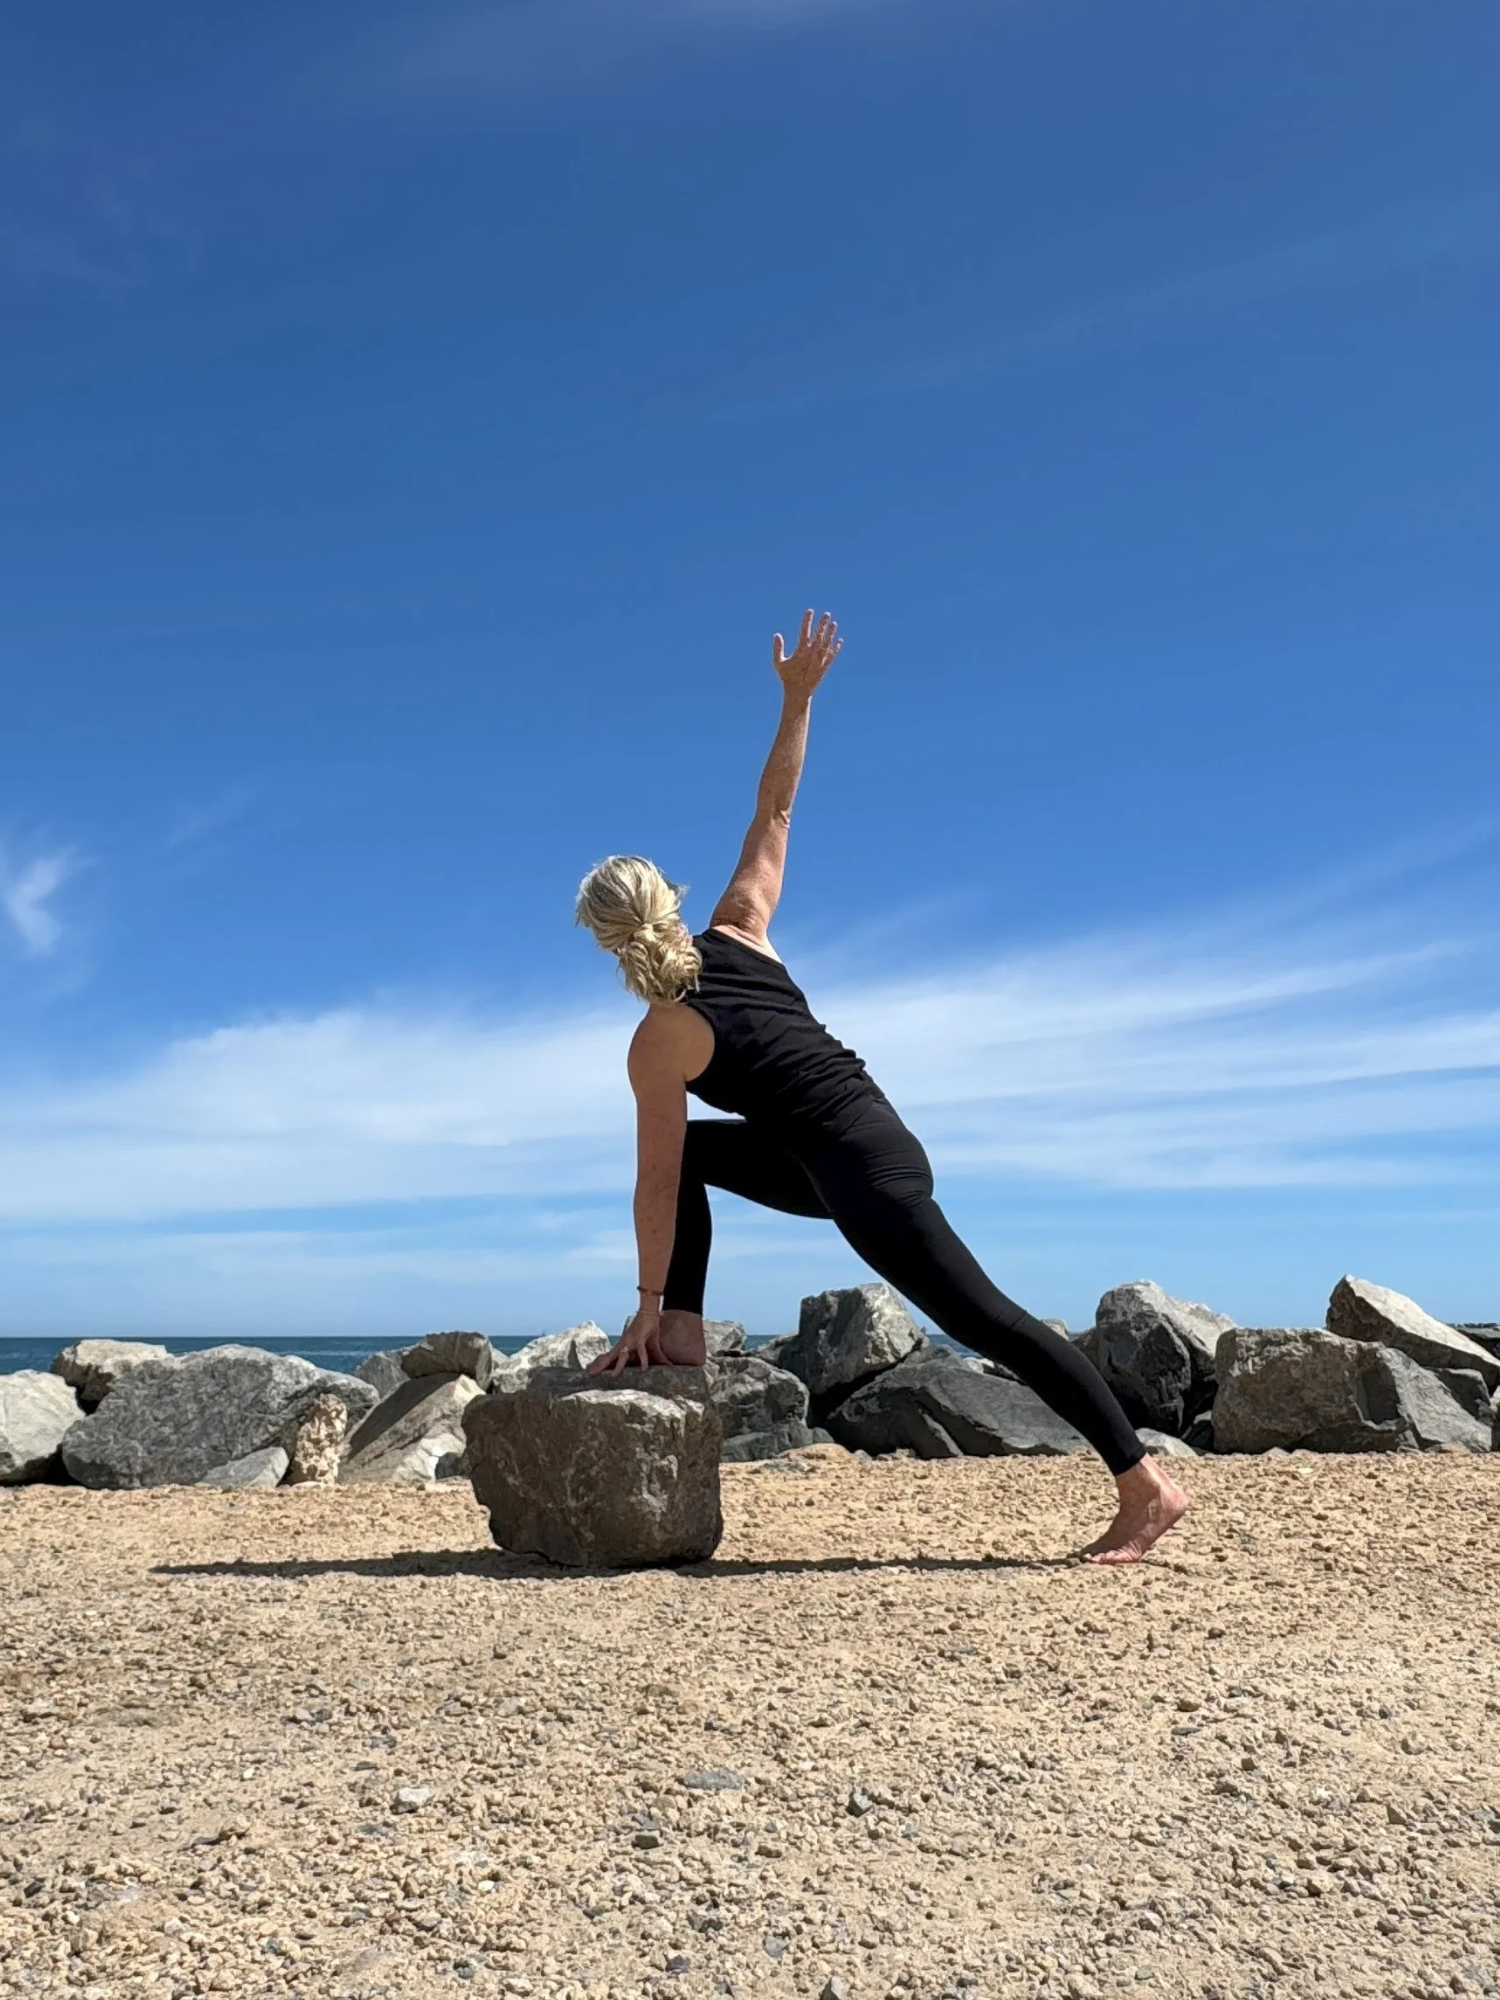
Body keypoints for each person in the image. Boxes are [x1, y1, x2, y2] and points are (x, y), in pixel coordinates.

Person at [574, 611, 1186, 1564]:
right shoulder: (740, 926)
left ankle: (1145, 1486)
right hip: (851, 1147)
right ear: (671, 900)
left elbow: (652, 1191)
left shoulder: (658, 1041)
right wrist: (799, 699)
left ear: (608, 941)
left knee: (989, 1321)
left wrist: (646, 1301)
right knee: (698, 1152)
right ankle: (686, 1337)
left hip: (859, 1172)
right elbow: (774, 811)